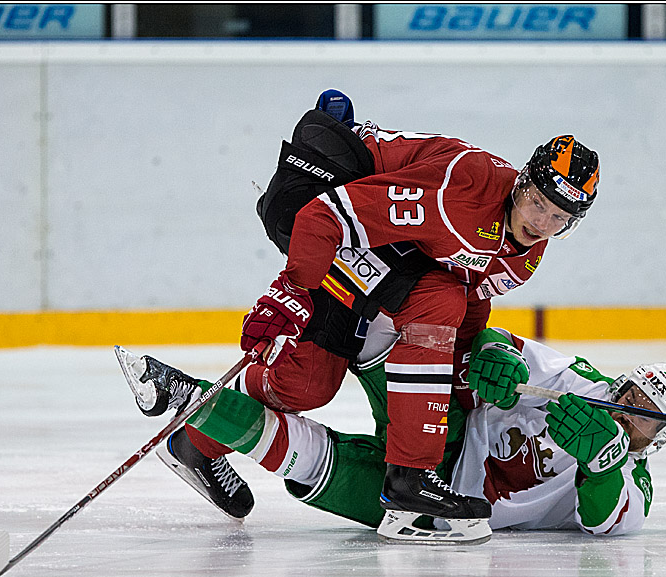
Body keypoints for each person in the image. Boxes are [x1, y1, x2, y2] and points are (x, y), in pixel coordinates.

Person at [141, 89, 603, 539]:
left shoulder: (527, 253)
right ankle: (409, 477)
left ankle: (196, 438)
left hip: (373, 252)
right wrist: (291, 291)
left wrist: (468, 369)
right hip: (313, 201)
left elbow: (472, 296)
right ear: (522, 182)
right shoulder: (463, 192)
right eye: (538, 203)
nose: (542, 223)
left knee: (307, 385)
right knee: (438, 299)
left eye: (560, 217)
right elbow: (326, 217)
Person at [116, 320, 666, 543]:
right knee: (400, 336)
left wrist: (602, 464)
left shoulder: (635, 481)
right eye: (633, 394)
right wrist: (495, 360)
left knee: (307, 457)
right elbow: (503, 343)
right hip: (444, 432)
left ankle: (188, 401)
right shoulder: (578, 380)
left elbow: (609, 522)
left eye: (647, 414)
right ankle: (347, 308)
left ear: (660, 438)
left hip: (437, 511)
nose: (629, 410)